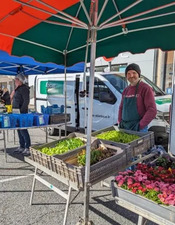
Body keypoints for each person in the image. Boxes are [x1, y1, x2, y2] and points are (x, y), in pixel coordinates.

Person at [118, 63, 157, 132]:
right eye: (128, 73)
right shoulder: (126, 90)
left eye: (134, 73)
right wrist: (119, 121)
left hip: (138, 128)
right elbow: (121, 108)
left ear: (138, 74)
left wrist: (140, 125)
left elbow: (152, 110)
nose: (131, 75)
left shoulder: (145, 88)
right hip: (124, 127)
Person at [12, 73, 31, 156]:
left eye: (16, 79)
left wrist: (21, 111)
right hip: (16, 112)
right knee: (19, 129)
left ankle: (28, 147)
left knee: (23, 129)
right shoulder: (18, 88)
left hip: (21, 113)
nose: (15, 81)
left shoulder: (24, 89)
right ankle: (22, 146)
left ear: (19, 80)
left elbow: (26, 101)